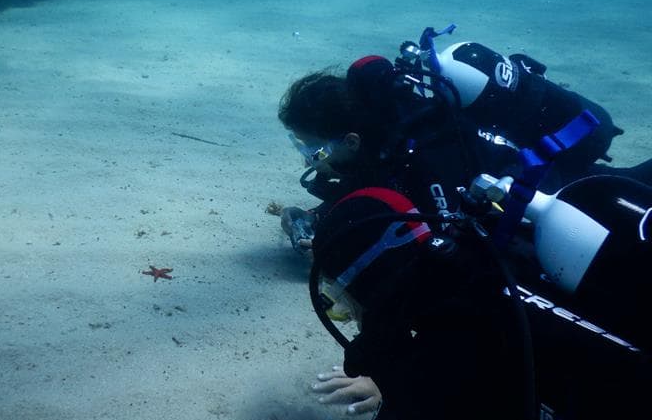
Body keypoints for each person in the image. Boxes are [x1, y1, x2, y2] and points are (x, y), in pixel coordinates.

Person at [285, 179, 652, 420]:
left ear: (364, 283)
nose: (348, 316)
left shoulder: (438, 363)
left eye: (340, 302)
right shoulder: (506, 254)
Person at [278, 30, 652, 254]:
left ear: (353, 140)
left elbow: (453, 247)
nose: (309, 159)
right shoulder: (388, 141)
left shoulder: (421, 160)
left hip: (560, 193)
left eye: (312, 148)